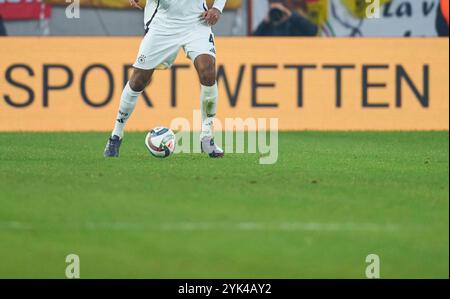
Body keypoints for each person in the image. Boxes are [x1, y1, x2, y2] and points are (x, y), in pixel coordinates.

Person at [104, 0, 226, 158]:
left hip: (196, 21)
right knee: (139, 80)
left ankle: (207, 137)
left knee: (208, 70)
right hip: (163, 24)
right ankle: (116, 135)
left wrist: (217, 8)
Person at [253, 0, 318, 36]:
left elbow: (312, 31)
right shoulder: (267, 26)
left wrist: (290, 15)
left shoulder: (293, 22)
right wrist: (264, 22)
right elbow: (253, 42)